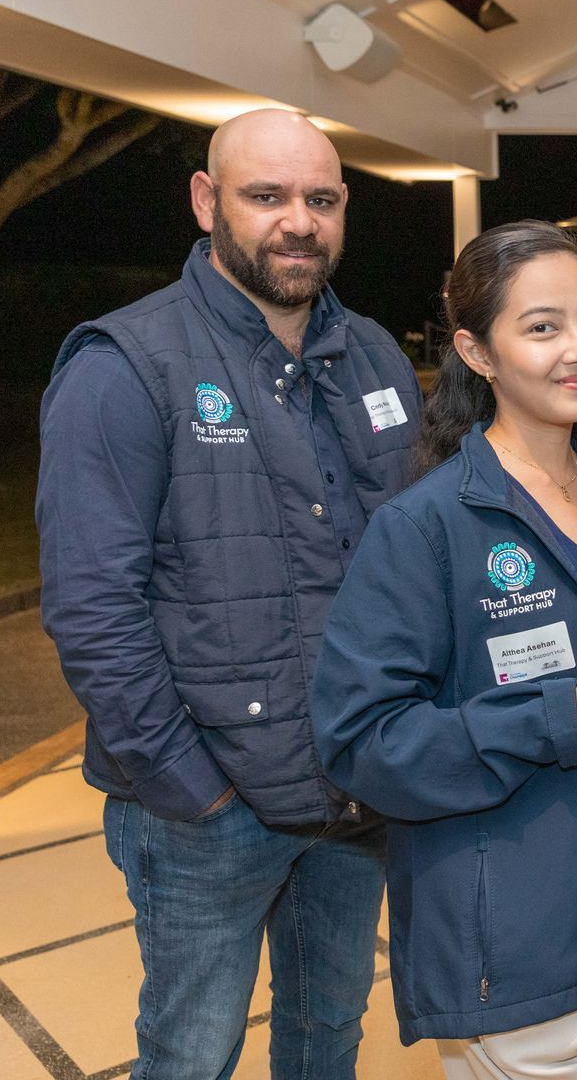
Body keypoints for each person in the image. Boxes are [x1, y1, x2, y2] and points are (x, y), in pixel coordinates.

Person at [37, 108, 419, 1079]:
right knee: (189, 1053)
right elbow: (92, 607)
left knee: (327, 1033)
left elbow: (412, 558)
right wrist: (189, 786)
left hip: (351, 788)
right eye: (267, 195)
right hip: (205, 806)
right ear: (208, 201)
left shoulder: (373, 354)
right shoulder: (124, 364)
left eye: (320, 199)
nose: (298, 221)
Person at [313, 223, 577, 1080]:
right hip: (517, 950)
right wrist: (564, 714)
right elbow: (360, 744)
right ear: (475, 352)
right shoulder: (427, 528)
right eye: (541, 328)